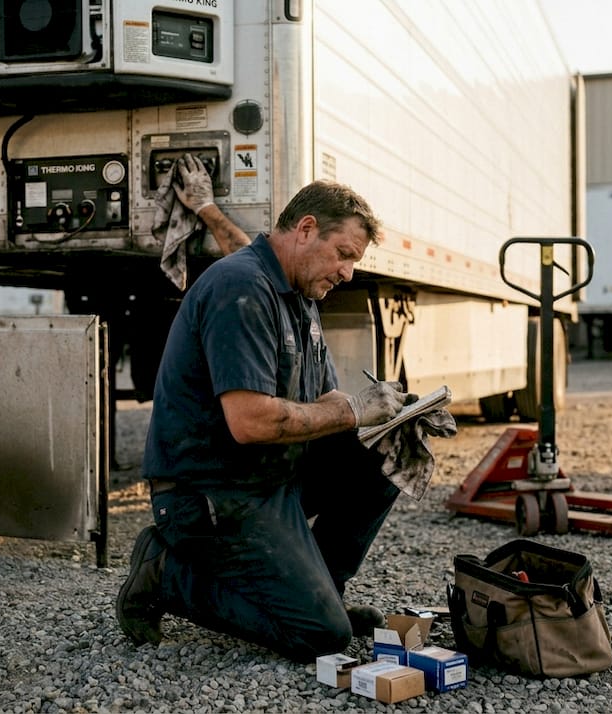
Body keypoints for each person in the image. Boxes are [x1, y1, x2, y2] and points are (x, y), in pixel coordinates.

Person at [116, 156, 416, 661]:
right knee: (322, 638)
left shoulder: (297, 294)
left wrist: (394, 416)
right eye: (344, 254)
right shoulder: (241, 288)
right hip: (209, 495)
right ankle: (165, 572)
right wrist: (352, 412)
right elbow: (251, 422)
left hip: (267, 478)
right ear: (305, 229)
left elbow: (324, 403)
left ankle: (324, 590)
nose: (348, 272)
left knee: (387, 453)